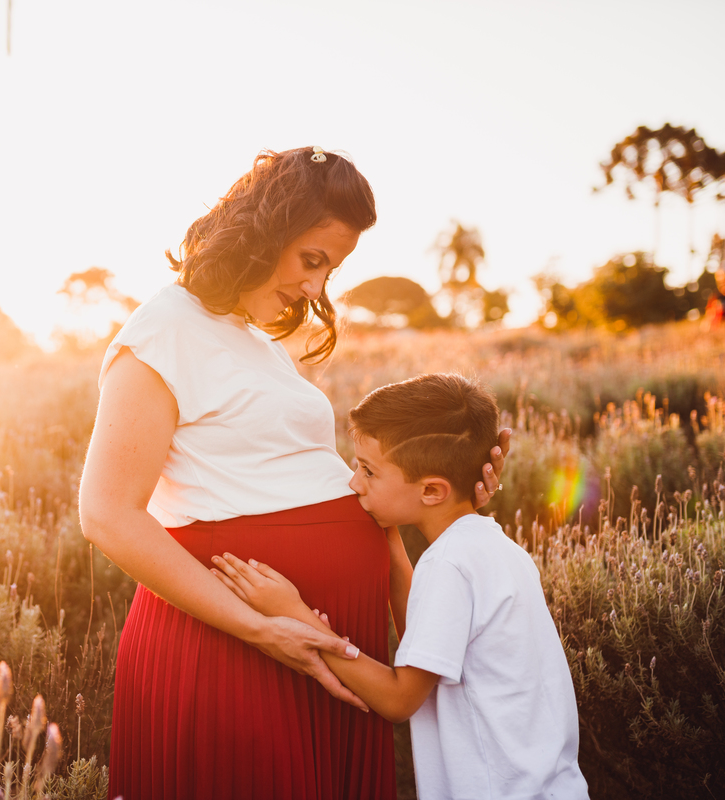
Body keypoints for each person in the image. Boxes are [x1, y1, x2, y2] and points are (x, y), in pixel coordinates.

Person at [77, 146, 508, 800]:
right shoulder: (163, 330)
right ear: (264, 229)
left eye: (329, 271)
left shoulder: (255, 341)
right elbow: (107, 514)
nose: (315, 289)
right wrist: (263, 628)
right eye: (312, 260)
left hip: (313, 650)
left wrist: (448, 512)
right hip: (235, 652)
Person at [212, 373, 588, 800]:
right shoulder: (491, 548)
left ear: (431, 490)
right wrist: (387, 532)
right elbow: (424, 638)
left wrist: (293, 613)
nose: (355, 483)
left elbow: (399, 699)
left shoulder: (449, 565)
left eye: (369, 471)